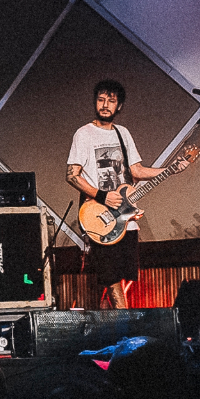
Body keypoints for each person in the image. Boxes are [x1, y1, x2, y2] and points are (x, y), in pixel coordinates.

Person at [66, 79, 166, 309]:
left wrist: (169, 169)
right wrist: (102, 196)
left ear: (118, 106)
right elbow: (72, 175)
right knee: (109, 275)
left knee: (118, 274)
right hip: (99, 213)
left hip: (125, 216)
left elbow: (136, 170)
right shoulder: (84, 134)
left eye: (111, 101)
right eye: (101, 100)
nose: (105, 105)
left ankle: (111, 326)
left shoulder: (123, 134)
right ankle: (125, 318)